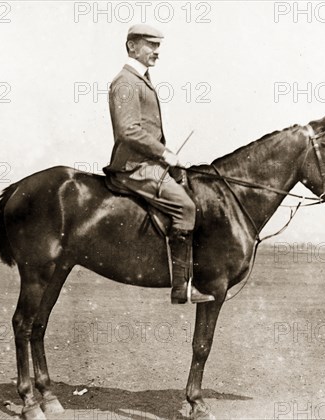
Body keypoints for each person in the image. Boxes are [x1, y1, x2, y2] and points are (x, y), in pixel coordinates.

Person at [104, 24, 214, 304]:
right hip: (134, 166)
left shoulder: (142, 80)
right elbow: (128, 131)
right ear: (131, 46)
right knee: (186, 207)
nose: (156, 51)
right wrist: (165, 154)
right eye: (150, 45)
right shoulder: (126, 82)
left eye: (158, 46)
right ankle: (181, 287)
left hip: (147, 162)